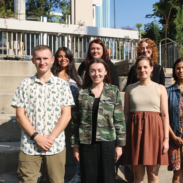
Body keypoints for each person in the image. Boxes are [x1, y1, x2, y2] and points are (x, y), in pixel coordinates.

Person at [11, 45, 75, 183]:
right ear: (33, 60)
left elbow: (66, 115)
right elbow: (20, 116)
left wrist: (50, 139)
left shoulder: (62, 85)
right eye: (38, 59)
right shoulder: (24, 85)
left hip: (55, 145)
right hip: (30, 145)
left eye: (45, 58)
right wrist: (37, 137)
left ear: (52, 60)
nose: (42, 62)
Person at [71, 58, 126, 183]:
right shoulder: (81, 93)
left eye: (100, 71)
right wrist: (75, 146)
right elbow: (75, 121)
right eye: (93, 71)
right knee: (88, 178)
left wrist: (120, 145)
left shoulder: (113, 91)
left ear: (106, 71)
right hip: (86, 143)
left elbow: (119, 120)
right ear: (88, 73)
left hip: (108, 142)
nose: (96, 74)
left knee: (107, 178)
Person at [124, 55, 170, 183]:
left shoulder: (160, 88)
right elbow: (126, 114)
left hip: (155, 134)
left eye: (145, 67)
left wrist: (166, 139)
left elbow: (165, 115)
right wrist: (122, 137)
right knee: (137, 177)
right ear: (135, 70)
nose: (142, 70)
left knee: (153, 176)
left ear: (151, 69)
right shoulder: (130, 88)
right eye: (139, 68)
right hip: (134, 134)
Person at [51, 47, 83, 183]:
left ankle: (78, 175)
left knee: (77, 146)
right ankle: (50, 174)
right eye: (60, 56)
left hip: (73, 117)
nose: (63, 59)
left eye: (66, 56)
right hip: (55, 118)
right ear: (55, 59)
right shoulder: (50, 76)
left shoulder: (76, 78)